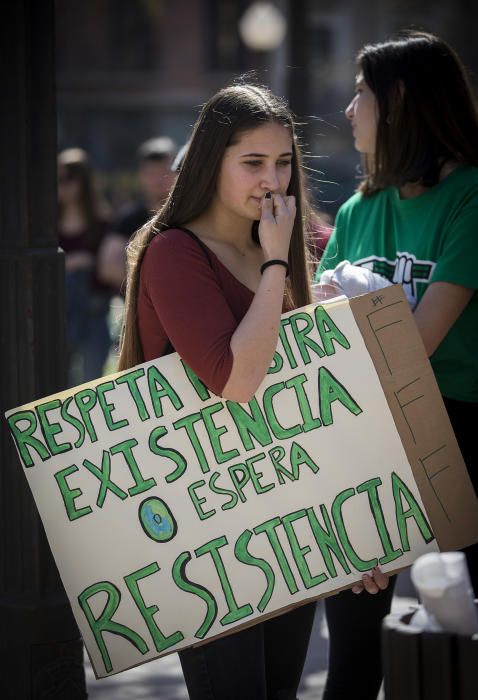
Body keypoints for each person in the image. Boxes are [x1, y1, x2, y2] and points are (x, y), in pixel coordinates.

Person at [117, 81, 378, 700]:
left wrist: (358, 535)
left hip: (284, 525)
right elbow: (237, 382)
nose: (273, 180)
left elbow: (314, 401)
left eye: (284, 162)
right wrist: (276, 267)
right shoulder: (174, 252)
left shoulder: (282, 243)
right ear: (212, 163)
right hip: (208, 538)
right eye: (253, 163)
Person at [316, 30, 478, 699]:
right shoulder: (358, 209)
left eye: (362, 93)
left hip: (459, 437)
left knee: (468, 636)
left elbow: (420, 345)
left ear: (402, 98)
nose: (351, 109)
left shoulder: (470, 196)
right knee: (352, 649)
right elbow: (320, 340)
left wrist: (352, 309)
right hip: (367, 437)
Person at [57, 147, 114, 386]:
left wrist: (87, 262)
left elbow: (108, 272)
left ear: (82, 181)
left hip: (94, 313)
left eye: (66, 179)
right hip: (59, 315)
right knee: (56, 387)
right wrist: (69, 263)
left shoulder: (102, 222)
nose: (60, 186)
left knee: (90, 387)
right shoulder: (44, 223)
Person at [98, 136, 178, 294]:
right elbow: (108, 267)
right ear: (141, 176)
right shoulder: (127, 218)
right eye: (151, 173)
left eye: (164, 171)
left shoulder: (190, 215)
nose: (158, 180)